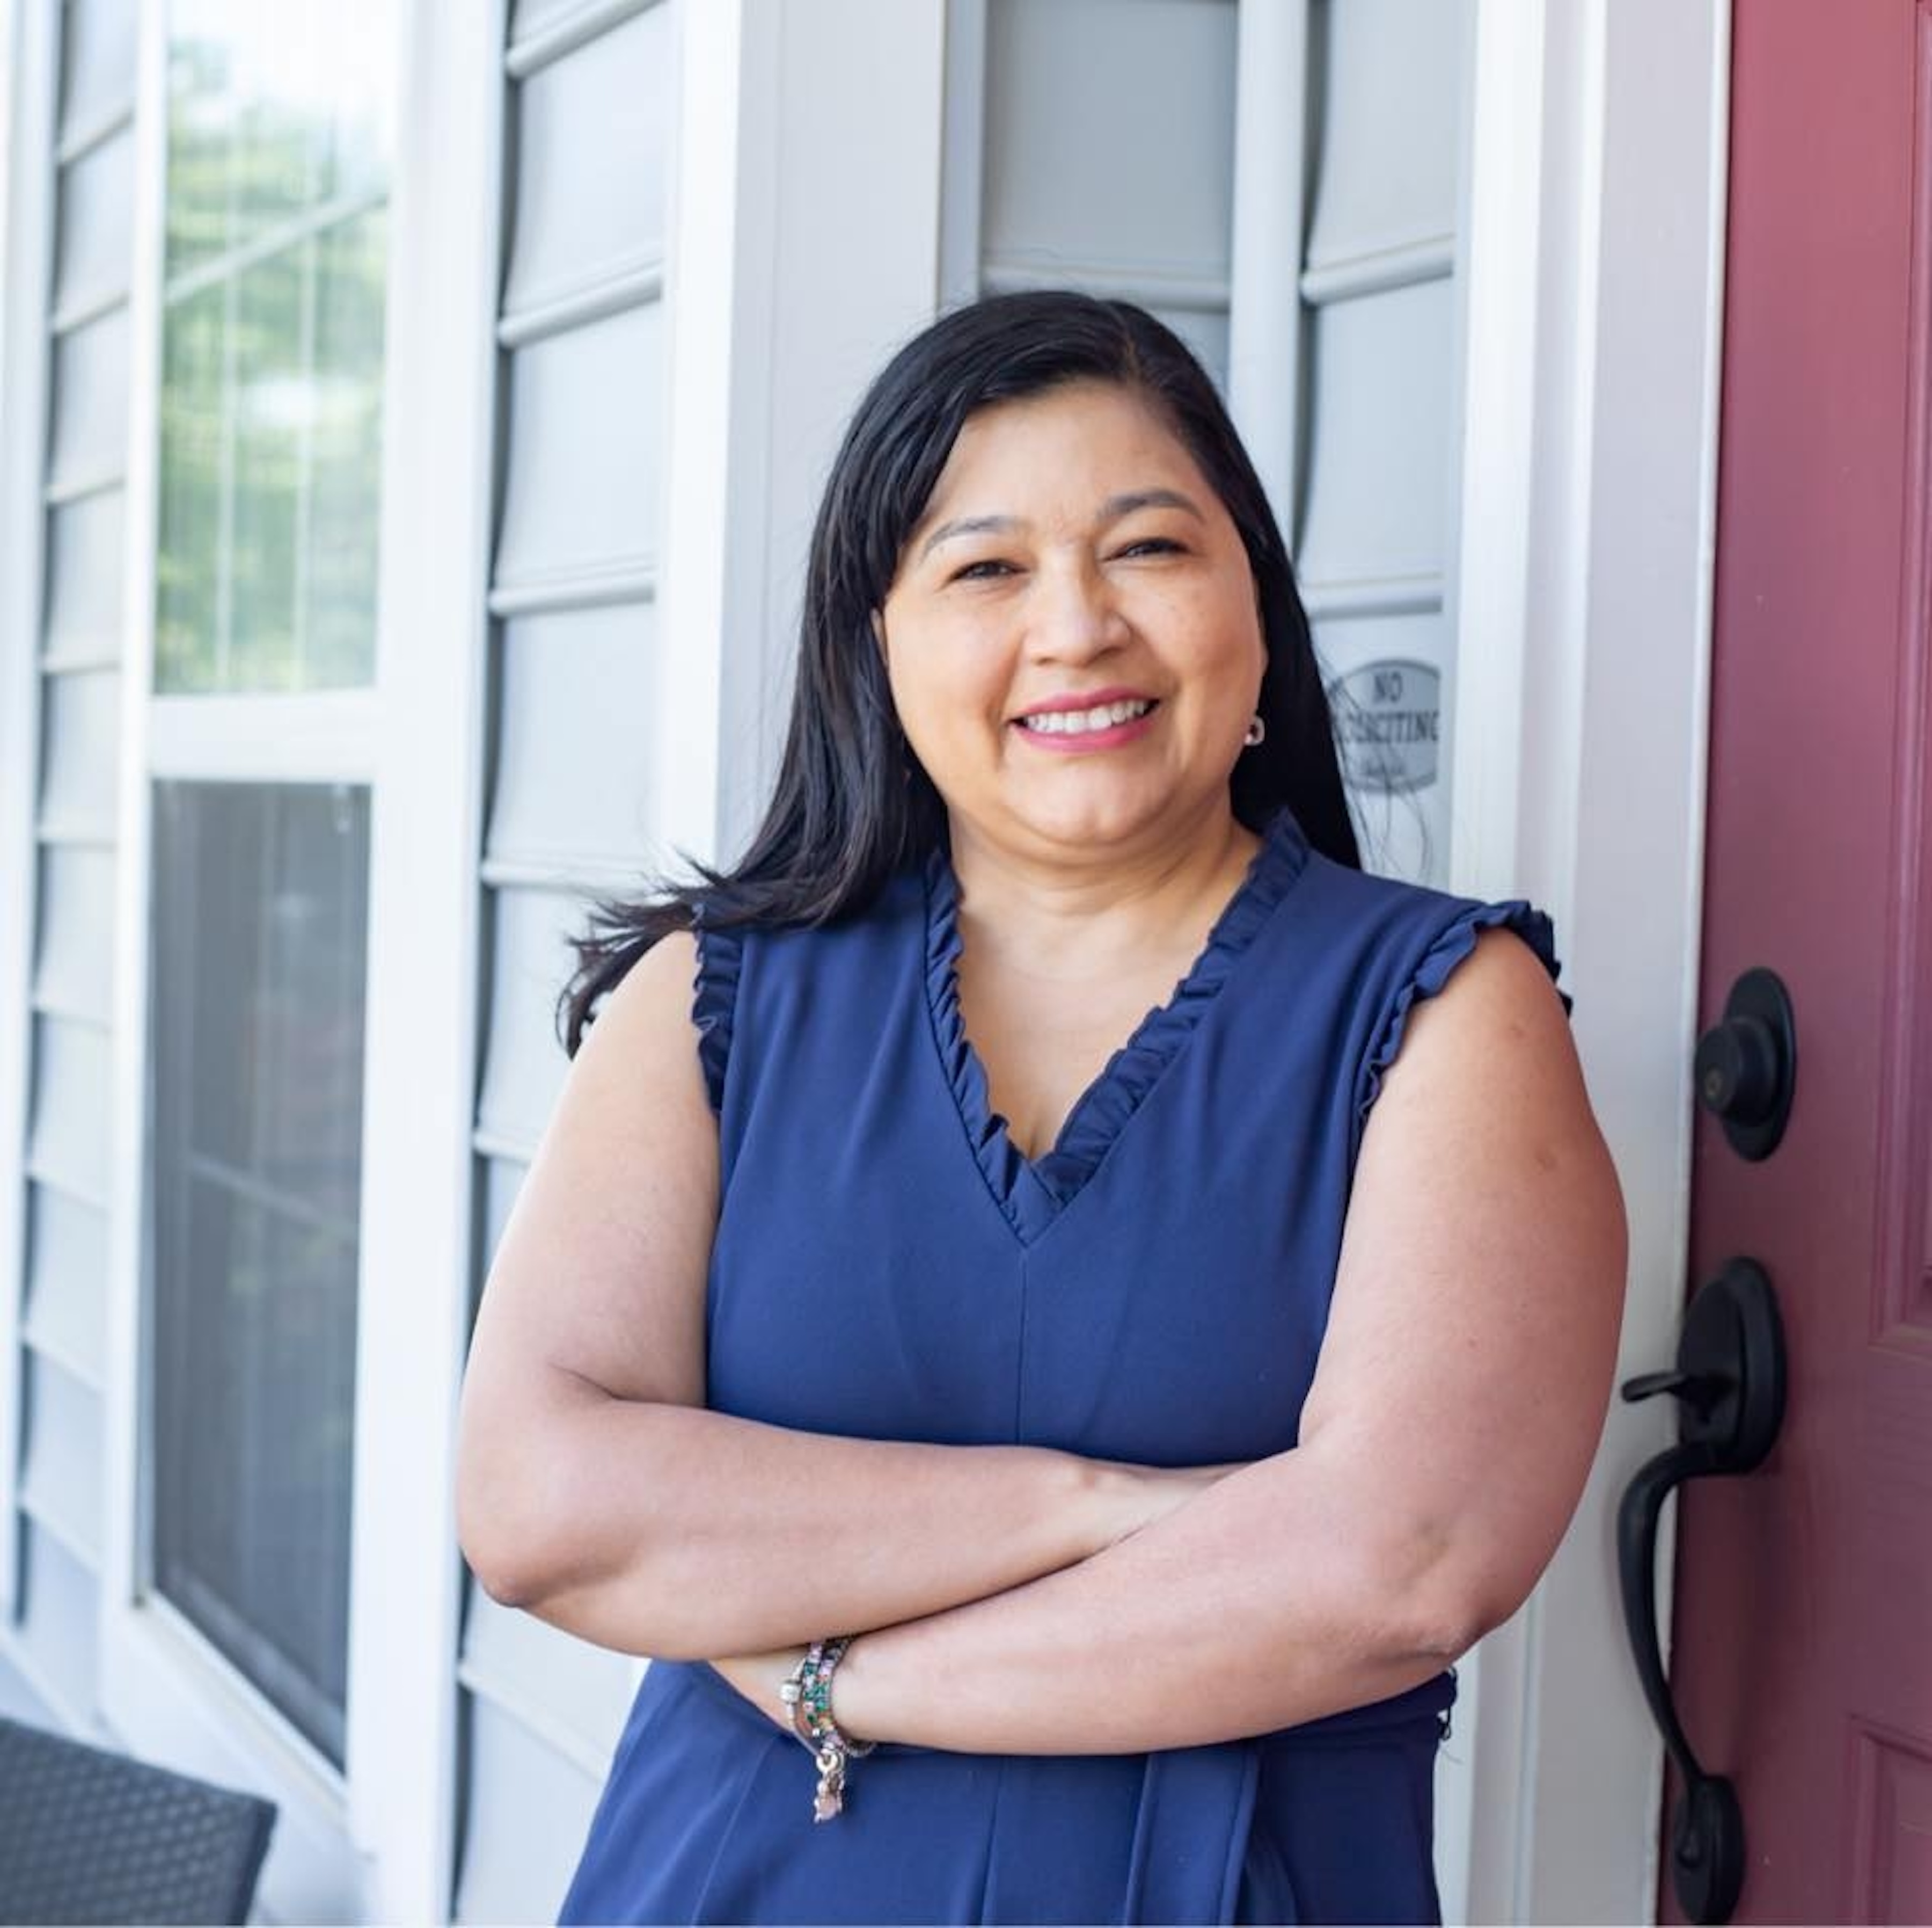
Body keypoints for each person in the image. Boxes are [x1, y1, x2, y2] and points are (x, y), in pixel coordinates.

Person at [453, 290, 1628, 1925]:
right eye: (985, 569)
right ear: (879, 643)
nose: (1076, 627)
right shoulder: (714, 996)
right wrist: (1101, 1505)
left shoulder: (1443, 1007)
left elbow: (1398, 1566)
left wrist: (837, 1680)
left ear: (1255, 608)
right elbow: (538, 1507)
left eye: (1146, 548)